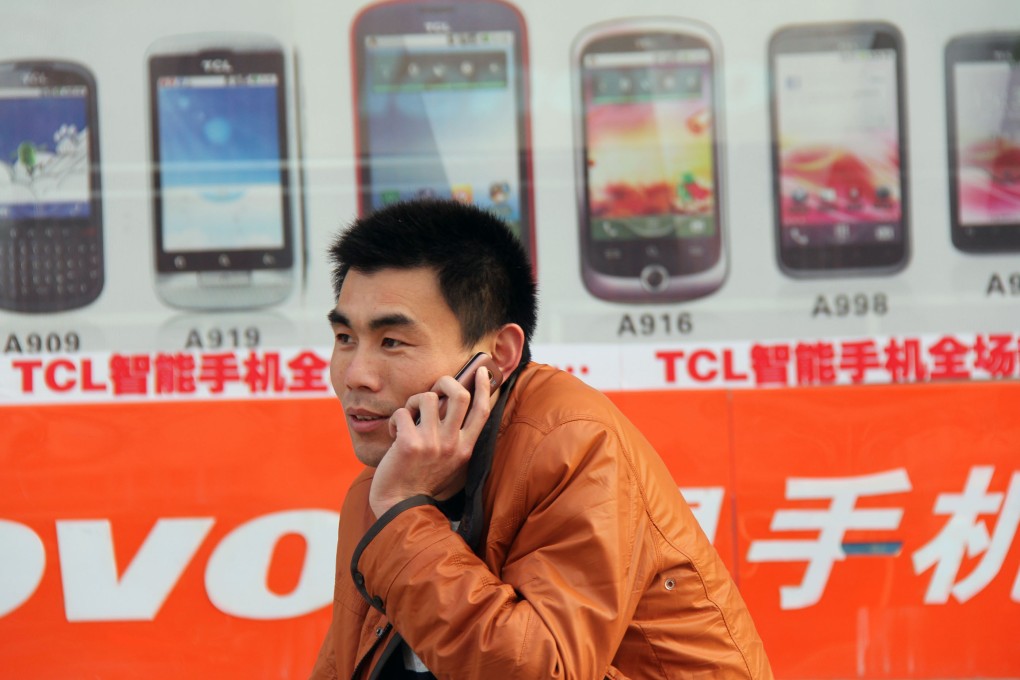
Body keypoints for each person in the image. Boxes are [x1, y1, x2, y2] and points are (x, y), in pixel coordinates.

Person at [310, 199, 773, 679]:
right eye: (345, 338)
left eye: (392, 342)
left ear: (498, 356)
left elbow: (544, 672)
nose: (355, 375)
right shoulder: (382, 487)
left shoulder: (572, 445)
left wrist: (406, 512)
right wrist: (400, 506)